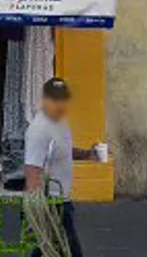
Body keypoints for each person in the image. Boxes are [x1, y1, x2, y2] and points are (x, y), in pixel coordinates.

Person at [25, 78, 100, 257]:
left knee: (50, 248)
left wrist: (87, 154)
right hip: (52, 202)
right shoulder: (39, 129)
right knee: (67, 249)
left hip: (62, 199)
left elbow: (64, 150)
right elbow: (32, 170)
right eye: (55, 99)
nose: (60, 104)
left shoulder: (58, 122)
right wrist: (36, 215)